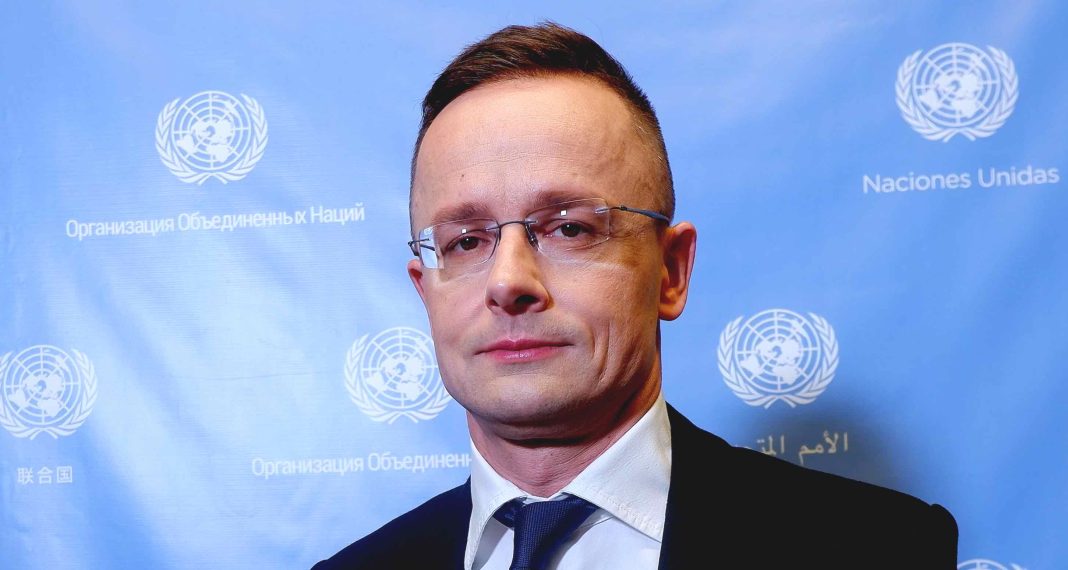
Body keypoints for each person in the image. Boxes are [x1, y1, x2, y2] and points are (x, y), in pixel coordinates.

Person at [314, 21, 958, 569]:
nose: (508, 282)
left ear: (671, 272)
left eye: (568, 229)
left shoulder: (880, 549)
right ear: (425, 291)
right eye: (465, 241)